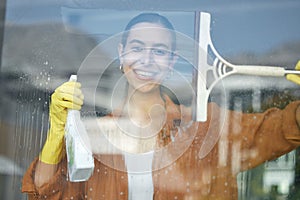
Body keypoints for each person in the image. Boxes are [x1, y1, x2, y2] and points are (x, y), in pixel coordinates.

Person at [22, 12, 300, 200]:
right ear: (121, 53)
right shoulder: (96, 136)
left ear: (171, 62)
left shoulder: (205, 126)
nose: (147, 59)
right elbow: (46, 192)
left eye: (159, 51)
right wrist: (58, 130)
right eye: (137, 48)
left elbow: (282, 129)